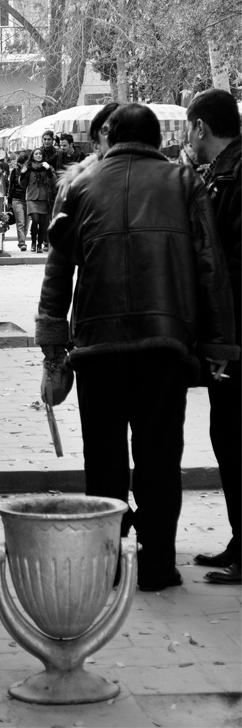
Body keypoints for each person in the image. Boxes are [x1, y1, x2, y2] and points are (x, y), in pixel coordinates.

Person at [35, 103, 238, 592]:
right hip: (164, 347)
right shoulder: (184, 182)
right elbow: (210, 266)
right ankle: (157, 567)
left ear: (109, 134)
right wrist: (219, 344)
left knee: (103, 460)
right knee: (159, 459)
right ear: (156, 139)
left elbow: (57, 273)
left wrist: (53, 345)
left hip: (97, 346)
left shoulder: (79, 186)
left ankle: (106, 565)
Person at [186, 89, 241, 585]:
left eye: (190, 128)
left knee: (233, 436)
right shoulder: (223, 174)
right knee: (226, 435)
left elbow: (230, 263)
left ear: (200, 126)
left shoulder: (233, 176)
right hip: (230, 332)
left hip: (236, 333)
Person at [19, 148, 56, 252]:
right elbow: (23, 184)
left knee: (43, 223)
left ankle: (39, 245)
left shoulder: (47, 166)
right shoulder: (28, 167)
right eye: (36, 154)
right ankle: (33, 243)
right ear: (32, 156)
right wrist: (22, 174)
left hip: (44, 198)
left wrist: (48, 170)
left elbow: (53, 181)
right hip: (31, 198)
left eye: (40, 154)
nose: (38, 155)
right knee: (35, 220)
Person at [7, 151, 30, 251]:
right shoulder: (14, 171)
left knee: (27, 224)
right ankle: (22, 243)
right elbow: (11, 186)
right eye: (24, 163)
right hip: (17, 199)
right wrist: (9, 200)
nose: (25, 165)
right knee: (21, 222)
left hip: (28, 199)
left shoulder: (30, 171)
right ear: (20, 163)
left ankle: (22, 240)